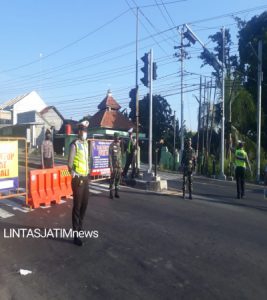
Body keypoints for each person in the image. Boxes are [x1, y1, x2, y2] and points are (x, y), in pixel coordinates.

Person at [68, 120, 90, 246]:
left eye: (86, 130)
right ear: (79, 131)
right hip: (78, 180)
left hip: (86, 178)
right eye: (83, 130)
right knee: (77, 206)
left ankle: (80, 227)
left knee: (84, 205)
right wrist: (74, 174)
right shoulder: (74, 144)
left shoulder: (86, 144)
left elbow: (87, 160)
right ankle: (76, 234)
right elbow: (69, 165)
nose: (85, 132)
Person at [109, 132, 122, 199]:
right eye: (116, 137)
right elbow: (110, 156)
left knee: (118, 179)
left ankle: (116, 192)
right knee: (112, 180)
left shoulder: (119, 145)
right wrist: (111, 166)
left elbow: (120, 157)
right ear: (114, 137)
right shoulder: (111, 145)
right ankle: (111, 193)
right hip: (114, 166)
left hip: (119, 166)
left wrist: (121, 167)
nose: (117, 138)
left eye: (118, 137)